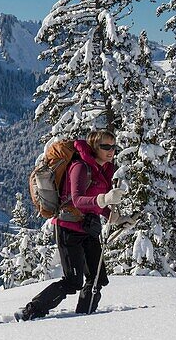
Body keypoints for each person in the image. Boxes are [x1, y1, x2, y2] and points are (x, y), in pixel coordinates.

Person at [17, 130, 123, 321]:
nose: (110, 151)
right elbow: (78, 200)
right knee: (73, 281)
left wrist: (113, 217)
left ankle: (85, 317)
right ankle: (31, 311)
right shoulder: (80, 167)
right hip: (69, 228)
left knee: (98, 278)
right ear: (94, 147)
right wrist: (104, 199)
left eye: (113, 146)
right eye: (105, 146)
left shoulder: (102, 169)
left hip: (88, 228)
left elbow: (94, 205)